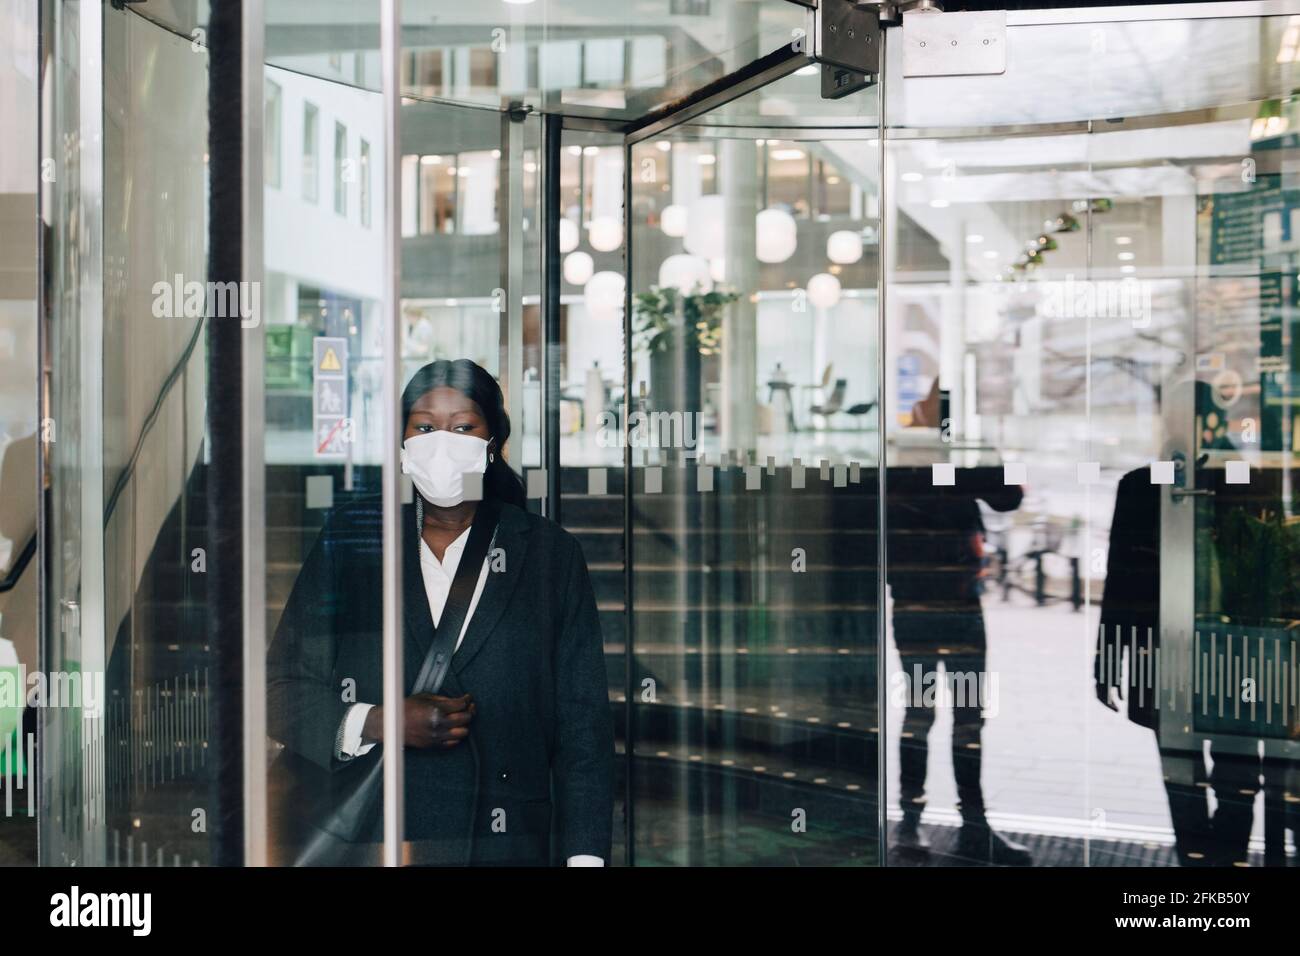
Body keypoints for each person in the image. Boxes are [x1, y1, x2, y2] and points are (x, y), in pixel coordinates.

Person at [268, 358, 614, 866]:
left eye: (463, 427)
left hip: (507, 843)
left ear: (492, 443)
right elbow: (279, 687)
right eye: (425, 427)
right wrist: (376, 722)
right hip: (379, 837)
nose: (442, 441)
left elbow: (583, 727)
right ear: (404, 444)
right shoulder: (355, 541)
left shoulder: (548, 555)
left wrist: (585, 858)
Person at [888, 378, 1032, 865]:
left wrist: (974, 451)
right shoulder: (916, 464)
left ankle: (934, 818)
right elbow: (1008, 495)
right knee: (943, 712)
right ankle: (947, 818)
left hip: (936, 604)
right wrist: (973, 452)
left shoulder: (929, 463)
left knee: (936, 712)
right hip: (941, 604)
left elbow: (1008, 496)